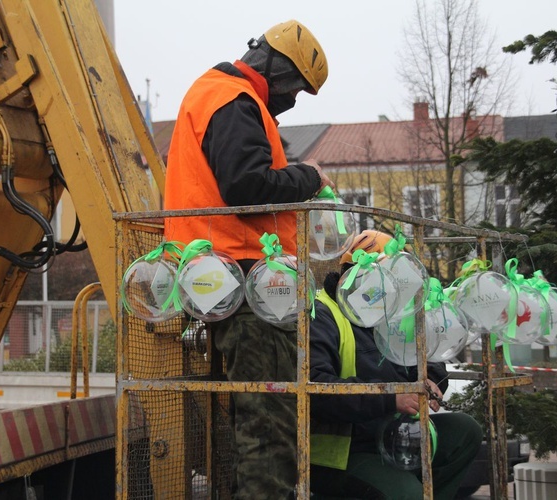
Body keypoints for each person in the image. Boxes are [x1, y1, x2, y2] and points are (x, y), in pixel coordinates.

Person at [163, 20, 333, 499]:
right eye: (295, 87)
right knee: (268, 425)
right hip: (242, 283)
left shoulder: (219, 96)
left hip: (220, 278)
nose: (293, 99)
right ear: (273, 64)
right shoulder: (234, 102)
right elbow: (247, 187)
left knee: (246, 421)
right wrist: (307, 178)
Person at [310, 230, 483, 500]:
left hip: (396, 436)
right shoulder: (323, 314)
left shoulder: (388, 313)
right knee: (408, 494)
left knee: (464, 431)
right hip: (344, 454)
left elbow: (427, 357)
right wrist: (391, 398)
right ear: (356, 275)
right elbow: (316, 390)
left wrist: (431, 380)